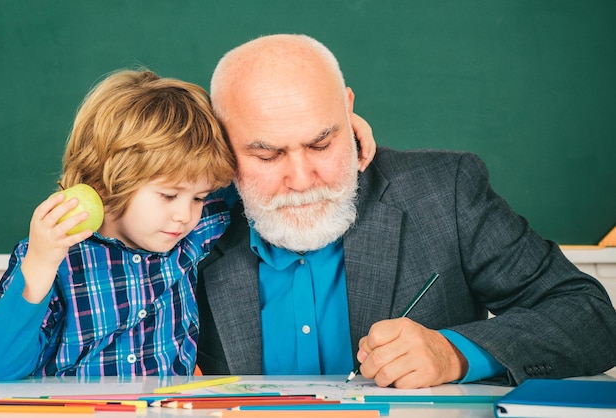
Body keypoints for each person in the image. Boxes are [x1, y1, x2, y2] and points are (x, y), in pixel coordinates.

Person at [196, 34, 616, 389]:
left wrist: (455, 354)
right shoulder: (187, 219)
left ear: (348, 111)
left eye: (321, 143)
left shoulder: (444, 191)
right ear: (220, 141)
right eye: (267, 155)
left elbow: (589, 315)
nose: (303, 179)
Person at [0, 68, 376, 380]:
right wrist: (39, 265)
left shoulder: (191, 235)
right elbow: (0, 367)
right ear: (107, 181)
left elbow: (256, 182)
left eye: (197, 197)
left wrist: (325, 128)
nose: (184, 215)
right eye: (168, 195)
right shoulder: (52, 258)